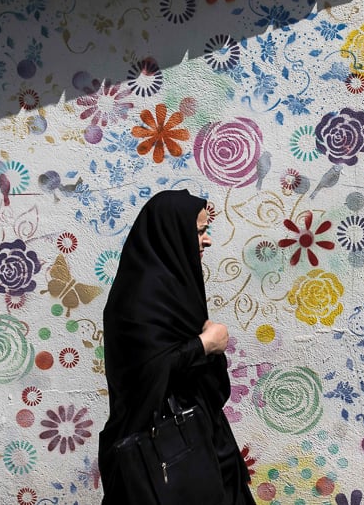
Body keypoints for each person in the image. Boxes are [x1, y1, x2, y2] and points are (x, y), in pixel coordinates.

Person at [98, 189, 255, 504]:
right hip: (161, 459)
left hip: (204, 447)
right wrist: (202, 346)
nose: (207, 240)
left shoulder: (174, 288)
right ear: (171, 234)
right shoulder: (137, 301)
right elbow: (141, 378)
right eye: (199, 232)